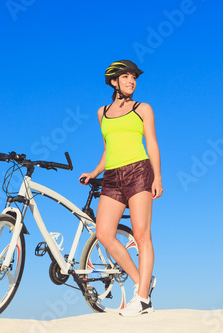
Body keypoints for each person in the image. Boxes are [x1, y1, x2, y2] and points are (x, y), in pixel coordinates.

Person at [80, 60, 163, 316]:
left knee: (141, 234)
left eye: (134, 78)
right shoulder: (101, 112)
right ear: (114, 81)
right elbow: (109, 148)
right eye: (125, 77)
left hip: (139, 171)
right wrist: (95, 172)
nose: (131, 81)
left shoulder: (143, 109)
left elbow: (152, 143)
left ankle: (142, 298)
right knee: (104, 233)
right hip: (113, 176)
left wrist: (157, 177)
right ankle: (142, 282)